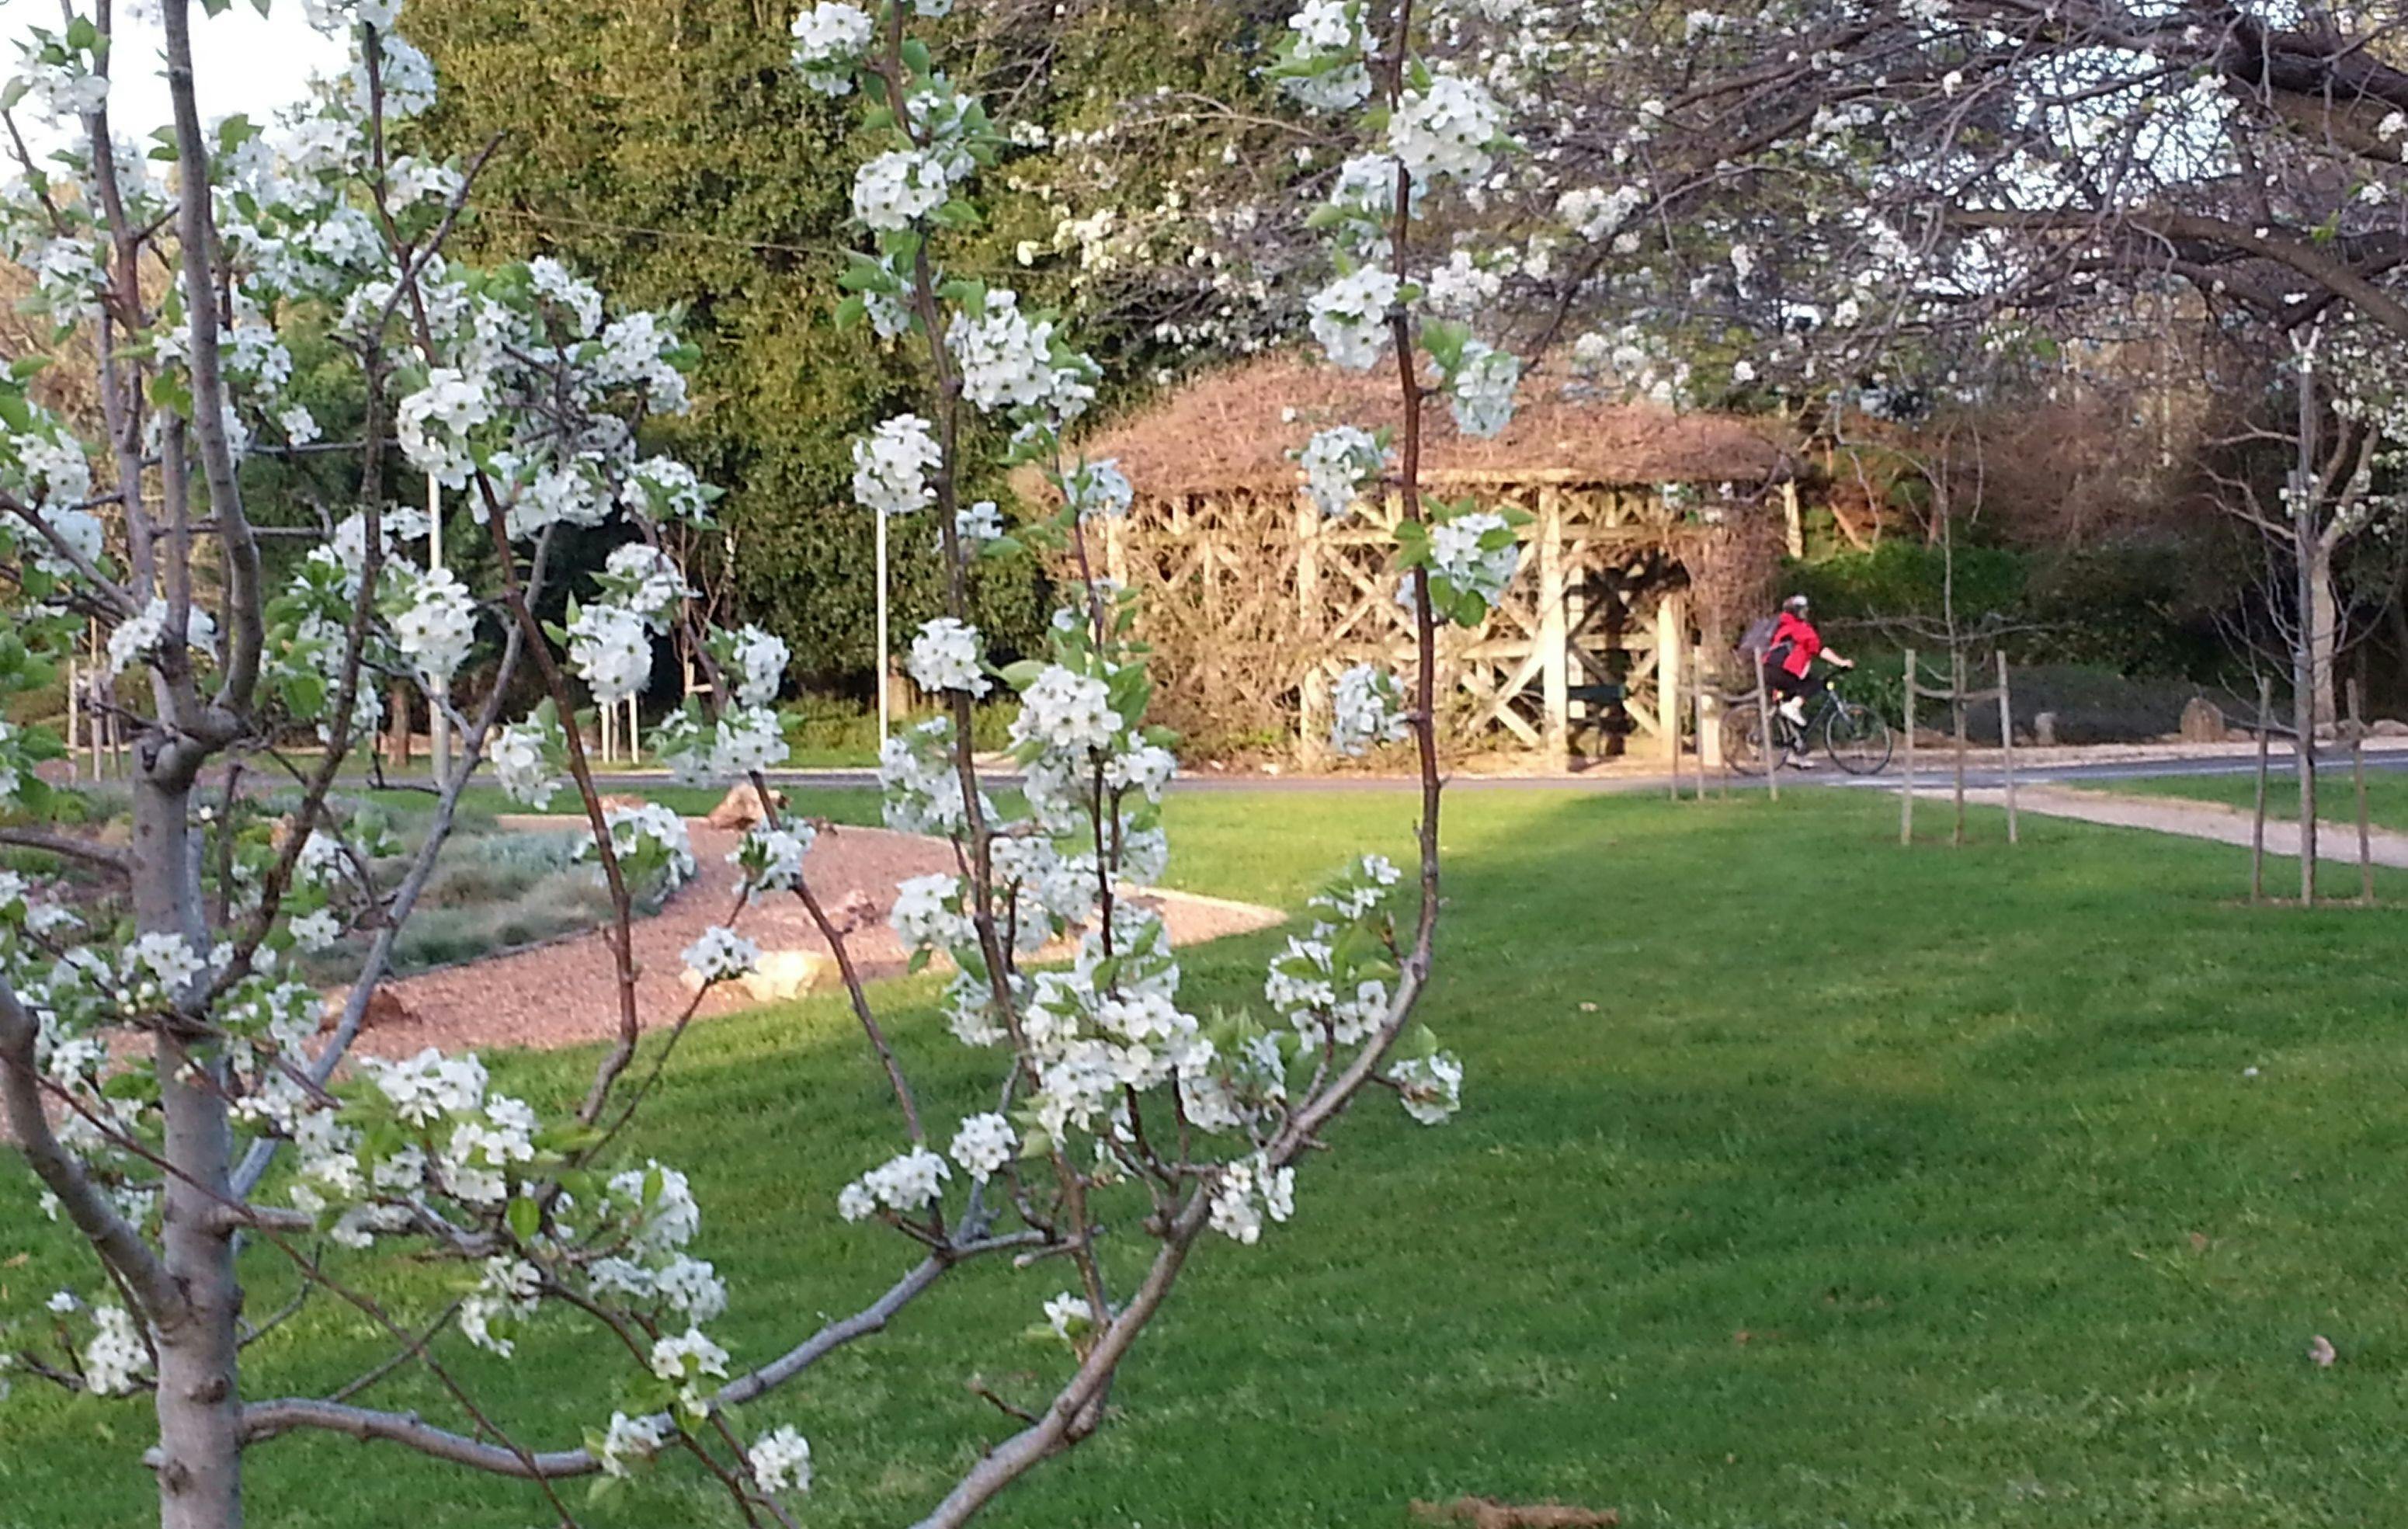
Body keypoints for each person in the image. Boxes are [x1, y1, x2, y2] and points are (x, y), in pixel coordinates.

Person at [1761, 593, 1852, 766]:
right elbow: (1820, 649)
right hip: (1782, 671)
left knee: (1792, 712)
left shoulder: (1783, 624)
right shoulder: (1799, 627)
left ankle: (1795, 754)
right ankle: (1793, 706)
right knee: (1814, 684)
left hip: (1771, 670)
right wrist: (1841, 662)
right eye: (1803, 609)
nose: (1806, 611)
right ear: (1796, 611)